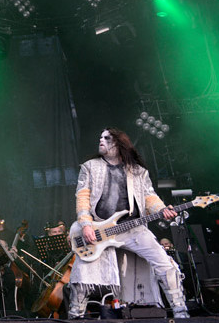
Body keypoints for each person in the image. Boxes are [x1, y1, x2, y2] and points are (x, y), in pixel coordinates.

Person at [67, 128, 188, 318]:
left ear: (118, 143)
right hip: (99, 228)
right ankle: (75, 314)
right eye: (100, 137)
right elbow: (82, 197)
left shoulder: (138, 171)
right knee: (83, 273)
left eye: (106, 138)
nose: (101, 140)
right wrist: (86, 225)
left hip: (132, 228)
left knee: (165, 264)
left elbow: (149, 197)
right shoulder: (90, 167)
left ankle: (180, 311)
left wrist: (162, 209)